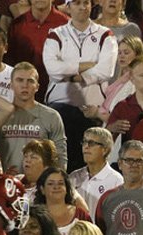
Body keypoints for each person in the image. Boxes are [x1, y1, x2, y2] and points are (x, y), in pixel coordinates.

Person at [44, 0, 117, 172]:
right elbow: (52, 69)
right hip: (60, 109)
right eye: (77, 3)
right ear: (68, 7)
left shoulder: (105, 34)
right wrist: (86, 65)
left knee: (91, 167)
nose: (83, 7)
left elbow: (107, 70)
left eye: (86, 3)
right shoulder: (56, 34)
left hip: (92, 111)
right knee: (60, 166)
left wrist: (73, 76)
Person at [0, 62, 67, 174]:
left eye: (30, 81)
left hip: (40, 184)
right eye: (20, 80)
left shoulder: (51, 116)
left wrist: (54, 181)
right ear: (11, 85)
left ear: (37, 87)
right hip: (7, 183)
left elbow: (60, 156)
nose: (25, 85)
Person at [5, 0, 69, 103]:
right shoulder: (17, 25)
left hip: (57, 98)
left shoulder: (66, 24)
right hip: (23, 97)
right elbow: (9, 64)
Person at [69, 127, 123, 217]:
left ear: (105, 149)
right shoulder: (74, 177)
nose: (86, 146)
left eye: (91, 143)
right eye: (84, 142)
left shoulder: (116, 181)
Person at [34, 167, 91, 235]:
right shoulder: (35, 217)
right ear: (42, 189)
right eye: (50, 184)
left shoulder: (81, 215)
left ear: (67, 189)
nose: (56, 187)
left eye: (60, 183)